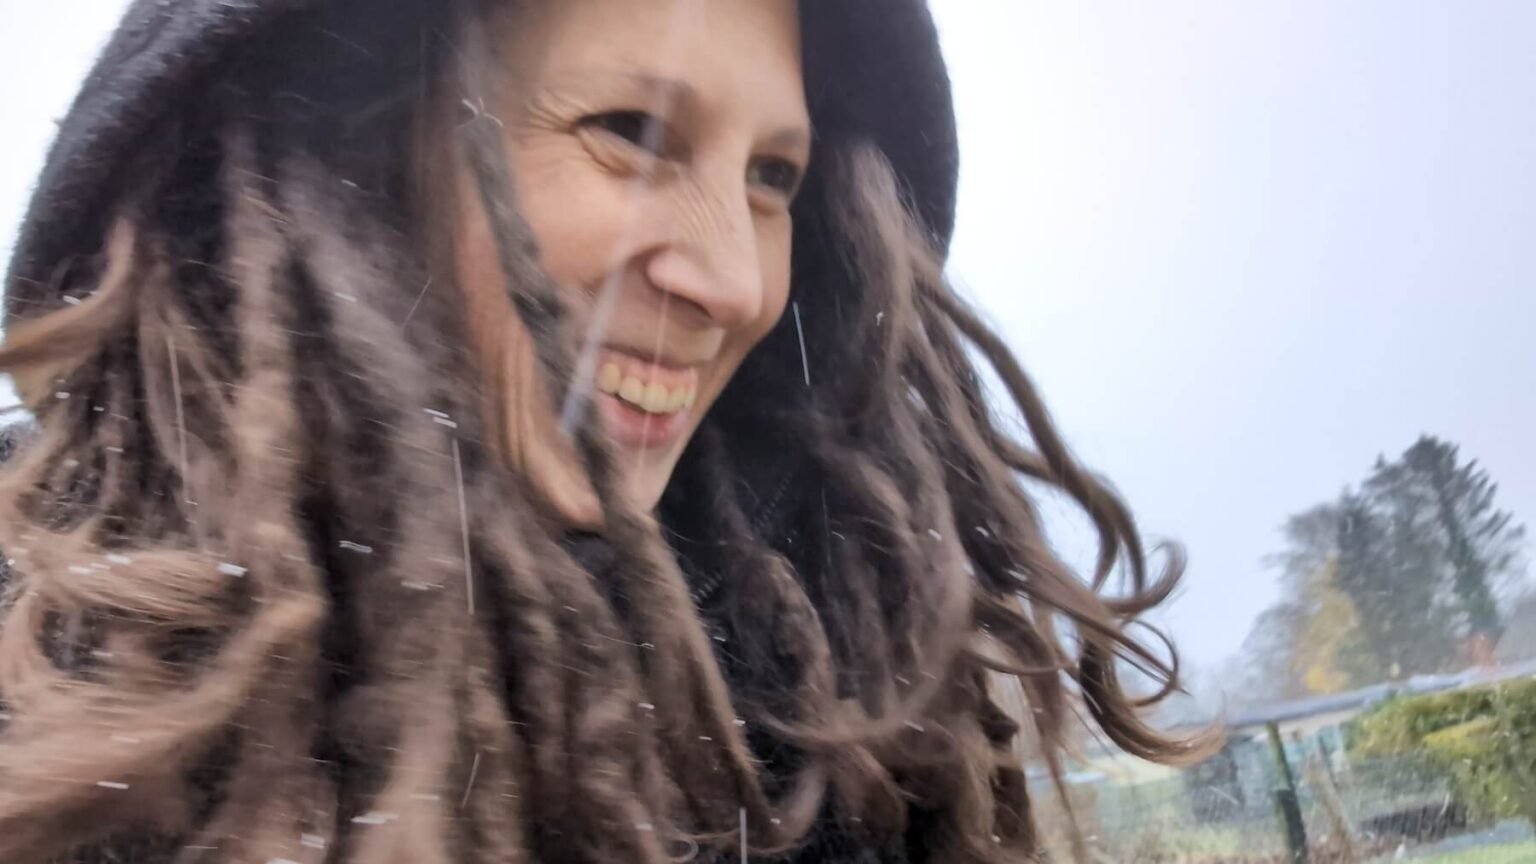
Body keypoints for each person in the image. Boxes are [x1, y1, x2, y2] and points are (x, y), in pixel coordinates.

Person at [0, 0, 1200, 861]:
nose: (734, 281)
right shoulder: (36, 676)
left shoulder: (833, 734)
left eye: (773, 177)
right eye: (631, 130)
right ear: (344, 160)